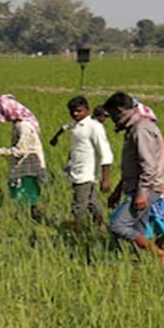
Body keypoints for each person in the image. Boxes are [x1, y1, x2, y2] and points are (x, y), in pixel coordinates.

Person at [101, 92, 164, 263]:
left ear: (120, 110)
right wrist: (118, 191)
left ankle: (158, 253)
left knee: (118, 225)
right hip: (138, 187)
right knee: (138, 227)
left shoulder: (141, 129)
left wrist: (142, 193)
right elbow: (133, 168)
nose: (112, 120)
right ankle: (143, 261)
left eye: (112, 115)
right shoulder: (134, 128)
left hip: (147, 189)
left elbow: (148, 166)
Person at [50, 96, 113, 232]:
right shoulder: (75, 125)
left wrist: (106, 178)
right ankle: (101, 227)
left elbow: (105, 152)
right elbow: (64, 127)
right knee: (92, 202)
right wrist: (55, 138)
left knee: (79, 205)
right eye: (72, 111)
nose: (75, 114)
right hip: (77, 170)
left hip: (86, 173)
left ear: (87, 110)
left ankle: (77, 233)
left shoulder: (94, 127)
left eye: (79, 111)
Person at [0, 94, 48, 220]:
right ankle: (29, 217)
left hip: (28, 166)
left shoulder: (24, 126)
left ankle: (29, 218)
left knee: (26, 193)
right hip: (24, 165)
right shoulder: (18, 123)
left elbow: (21, 149)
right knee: (26, 192)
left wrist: (1, 151)